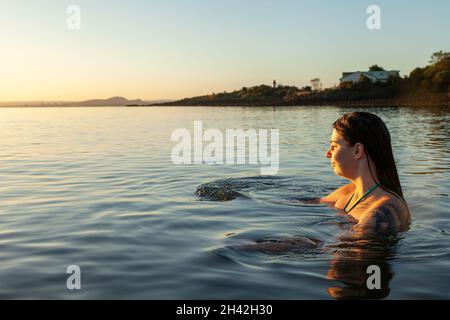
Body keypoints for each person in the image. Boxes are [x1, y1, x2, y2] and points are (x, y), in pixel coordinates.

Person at [321, 112, 410, 231]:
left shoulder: (383, 210)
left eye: (334, 146)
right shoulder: (348, 193)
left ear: (357, 150)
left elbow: (355, 246)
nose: (327, 154)